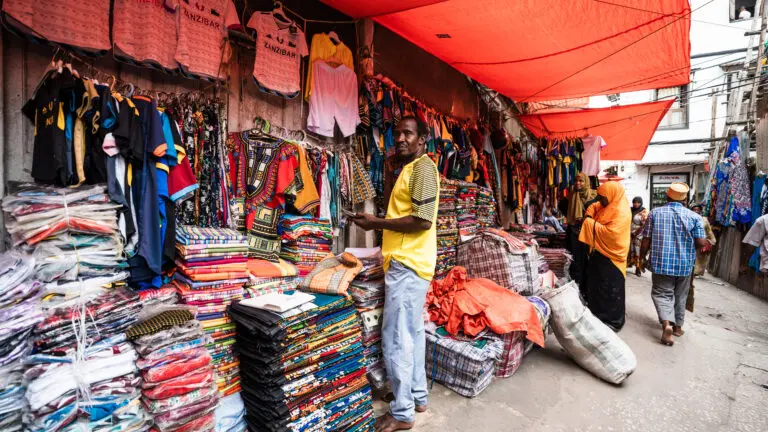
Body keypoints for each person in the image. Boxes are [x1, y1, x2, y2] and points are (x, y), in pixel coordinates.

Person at [350, 115, 439, 432]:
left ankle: (402, 413)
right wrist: (388, 173)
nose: (400, 138)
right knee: (411, 334)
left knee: (396, 338)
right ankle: (417, 397)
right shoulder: (409, 169)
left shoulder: (424, 169)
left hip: (409, 263)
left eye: (408, 133)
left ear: (422, 138)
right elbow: (396, 209)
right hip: (407, 262)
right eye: (397, 133)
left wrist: (375, 224)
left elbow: (422, 221)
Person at [639, 183, 708, 346]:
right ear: (685, 200)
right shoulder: (695, 217)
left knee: (662, 293)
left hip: (661, 263)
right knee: (680, 295)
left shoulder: (655, 213)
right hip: (684, 265)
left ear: (667, 196)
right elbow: (700, 242)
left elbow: (646, 239)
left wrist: (642, 257)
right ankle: (677, 328)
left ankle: (666, 325)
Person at [578, 181, 631, 331]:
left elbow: (611, 235)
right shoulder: (608, 206)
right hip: (600, 256)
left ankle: (612, 321)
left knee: (610, 290)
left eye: (602, 197)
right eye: (599, 198)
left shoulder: (621, 212)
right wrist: (590, 213)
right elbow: (594, 207)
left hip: (612, 257)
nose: (600, 201)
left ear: (611, 195)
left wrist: (588, 222)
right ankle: (598, 317)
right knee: (598, 287)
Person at [566, 172, 599, 296]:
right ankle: (577, 290)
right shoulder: (570, 196)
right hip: (574, 233)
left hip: (589, 233)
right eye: (576, 180)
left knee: (588, 261)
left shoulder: (594, 197)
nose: (578, 183)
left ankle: (587, 290)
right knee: (575, 262)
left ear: (586, 182)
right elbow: (563, 208)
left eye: (581, 181)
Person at [688, 204, 716, 312]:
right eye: (694, 209)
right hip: (688, 247)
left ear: (701, 211)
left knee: (693, 272)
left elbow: (710, 235)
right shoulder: (687, 217)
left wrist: (707, 243)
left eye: (698, 210)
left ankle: (689, 289)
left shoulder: (704, 220)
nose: (696, 211)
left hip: (699, 250)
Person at [629, 197, 649, 276]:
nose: (636, 204)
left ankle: (638, 268)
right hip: (629, 233)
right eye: (634, 202)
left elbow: (644, 225)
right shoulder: (630, 210)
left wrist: (636, 233)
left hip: (639, 235)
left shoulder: (643, 212)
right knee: (630, 250)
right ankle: (629, 265)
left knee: (637, 251)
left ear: (641, 203)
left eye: (638, 202)